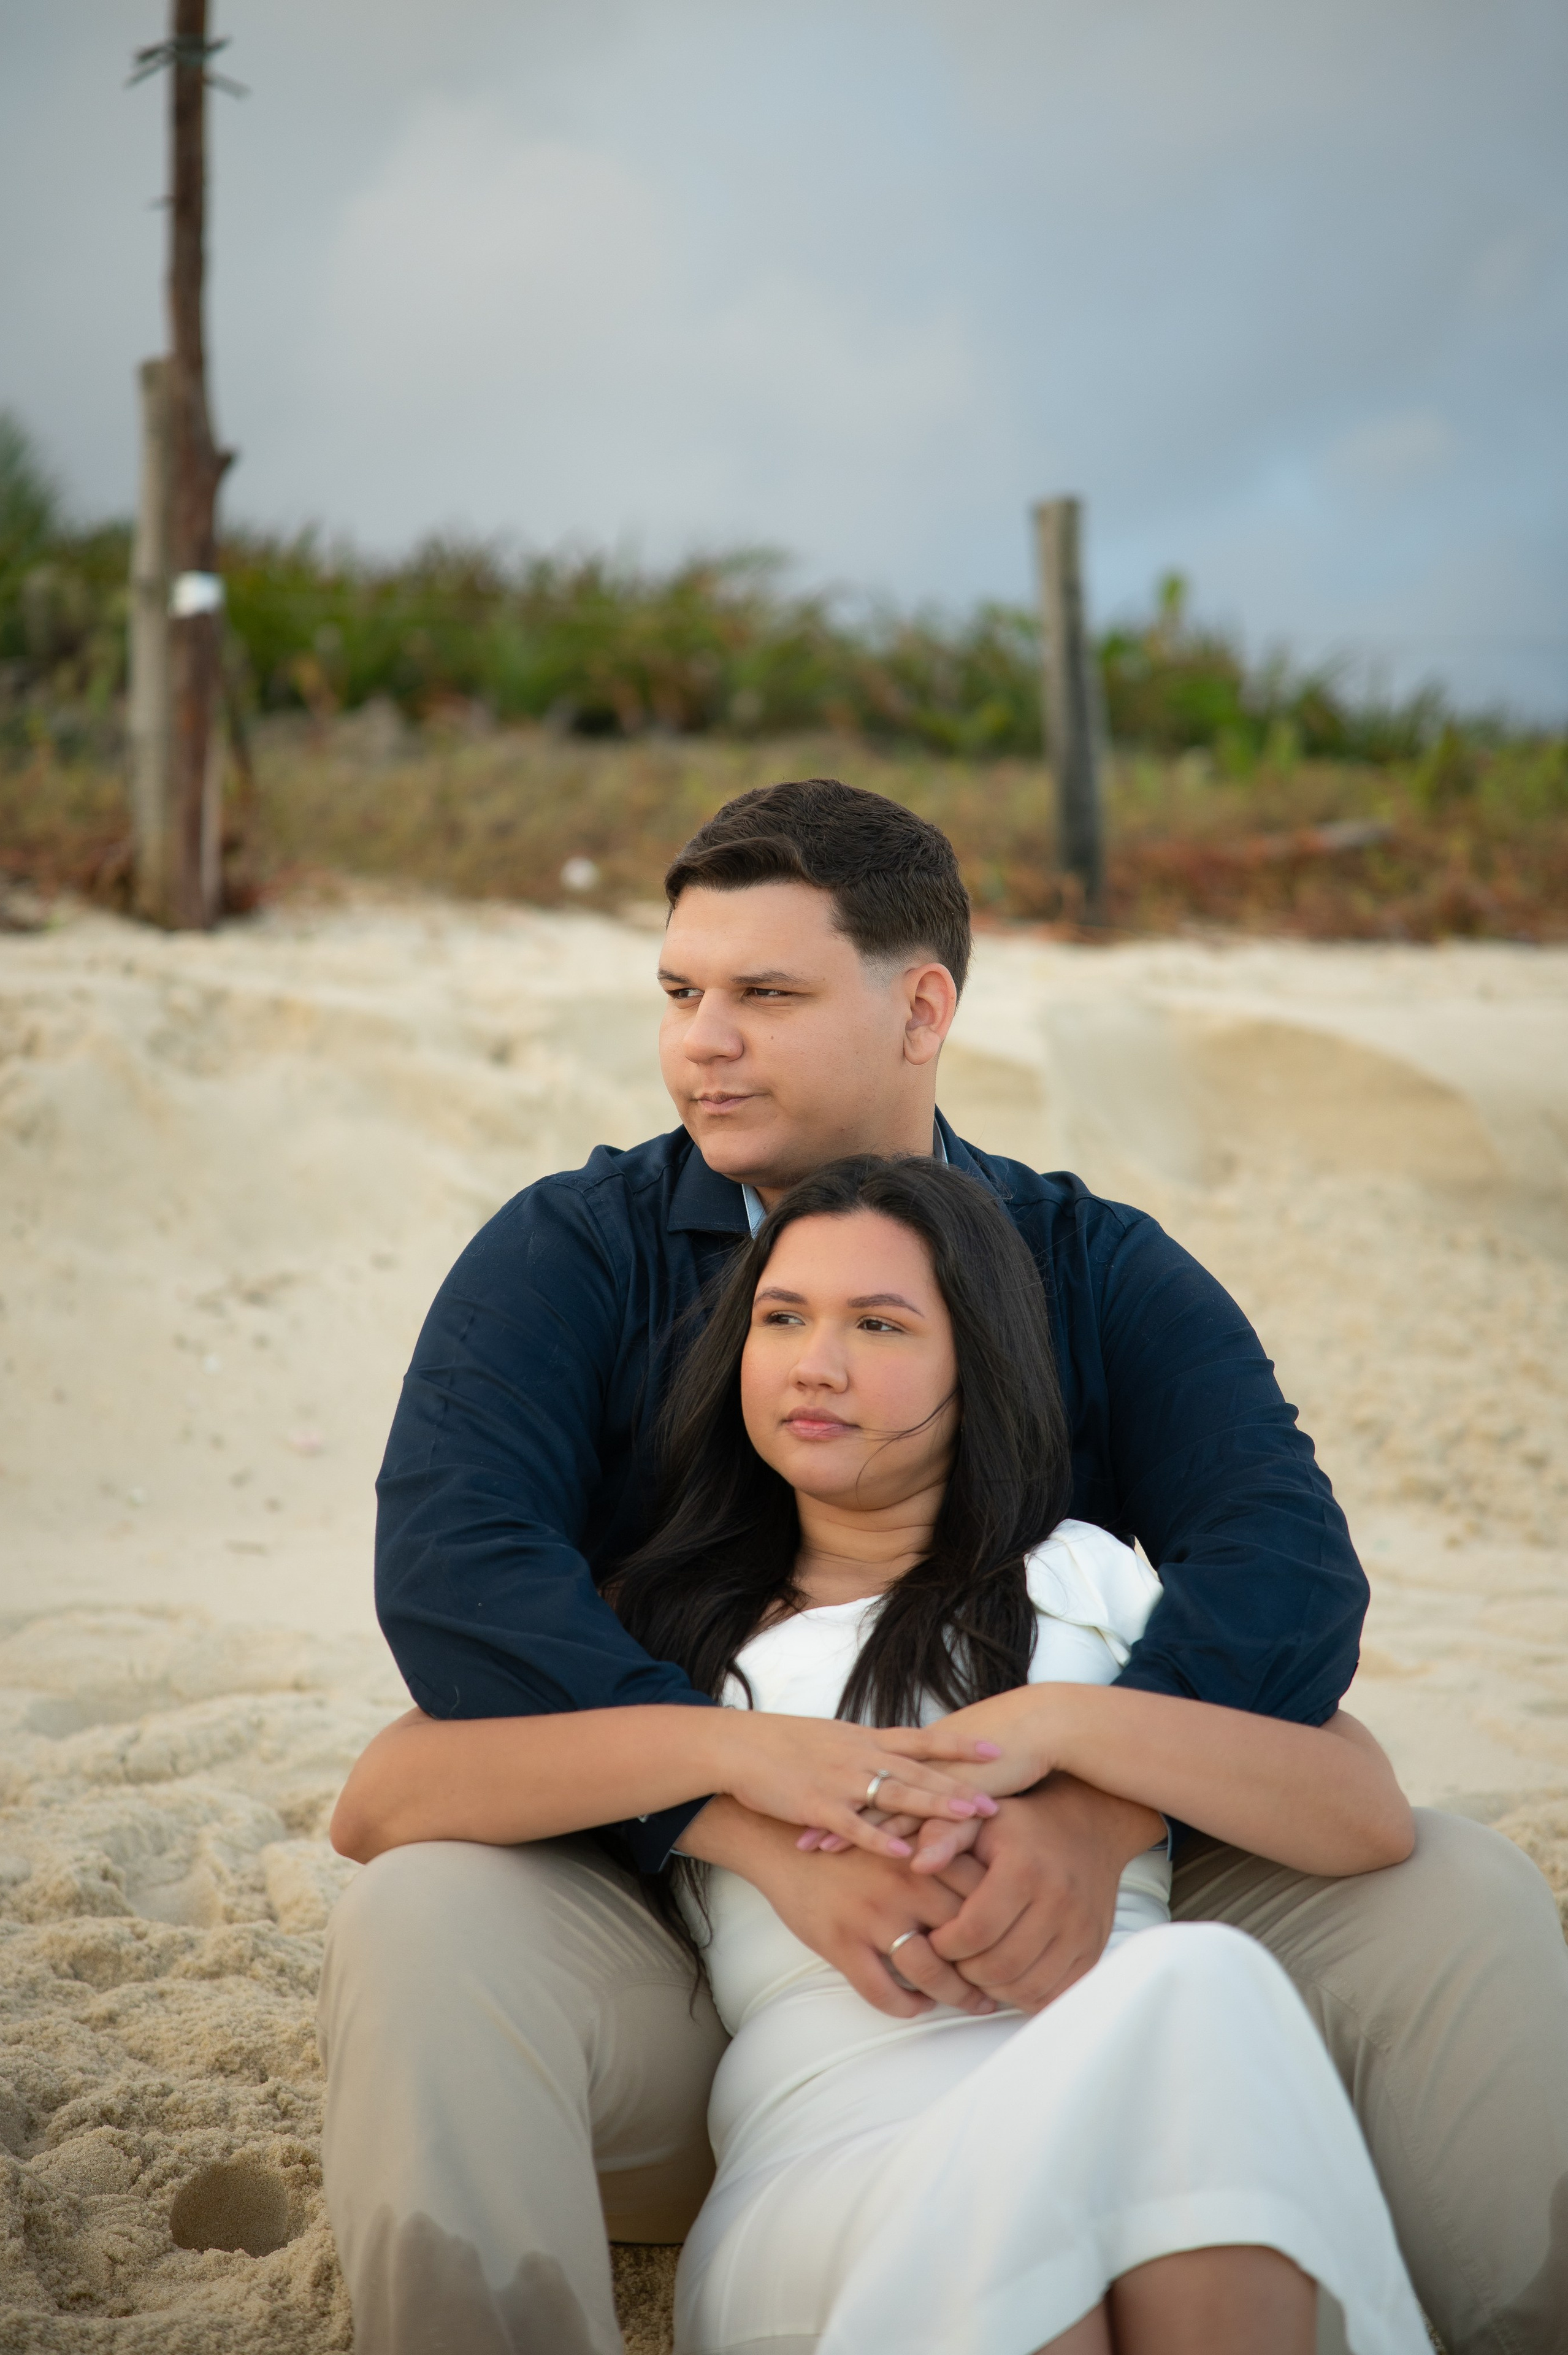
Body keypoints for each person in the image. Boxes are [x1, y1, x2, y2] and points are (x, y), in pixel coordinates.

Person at [319, 778, 1568, 2355]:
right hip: (677, 1934)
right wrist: (746, 1810)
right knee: (420, 1913)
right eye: (680, 993)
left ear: (921, 1009)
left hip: (1086, 1918)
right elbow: (457, 1587)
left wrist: (1092, 1813)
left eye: (764, 994)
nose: (702, 1039)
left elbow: (1282, 1576)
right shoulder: (573, 1254)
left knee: (1454, 1888)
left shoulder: (1087, 1266)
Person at [334, 1154, 1431, 2354]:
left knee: (1195, 1991)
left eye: (878, 1324)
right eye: (782, 1317)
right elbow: (382, 1797)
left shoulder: (1093, 1580)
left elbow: (1361, 1811)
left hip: (1143, 2086)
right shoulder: (668, 1624)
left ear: (982, 1359)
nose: (816, 1363)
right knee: (1156, 2042)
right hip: (845, 2148)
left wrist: (1065, 1733)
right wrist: (738, 1768)